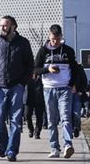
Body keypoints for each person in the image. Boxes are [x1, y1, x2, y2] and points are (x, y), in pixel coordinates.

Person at [0, 16, 33, 162]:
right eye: (1, 25)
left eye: (5, 25)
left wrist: (22, 83)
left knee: (16, 121)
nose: (2, 28)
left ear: (13, 27)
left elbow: (30, 65)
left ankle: (12, 151)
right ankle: (4, 145)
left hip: (16, 86)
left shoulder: (23, 43)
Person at [35, 24, 77, 158]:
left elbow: (75, 68)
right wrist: (47, 69)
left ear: (61, 37)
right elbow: (35, 69)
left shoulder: (68, 51)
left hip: (65, 88)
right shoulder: (43, 51)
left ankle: (68, 145)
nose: (55, 42)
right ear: (49, 36)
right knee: (52, 120)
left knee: (65, 117)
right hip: (49, 88)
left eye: (58, 39)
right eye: (53, 39)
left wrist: (72, 84)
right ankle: (54, 148)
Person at [70, 61, 88, 138]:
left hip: (77, 94)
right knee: (67, 113)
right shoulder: (65, 67)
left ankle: (76, 127)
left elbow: (84, 81)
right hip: (66, 94)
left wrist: (80, 91)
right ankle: (70, 130)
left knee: (76, 113)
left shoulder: (79, 68)